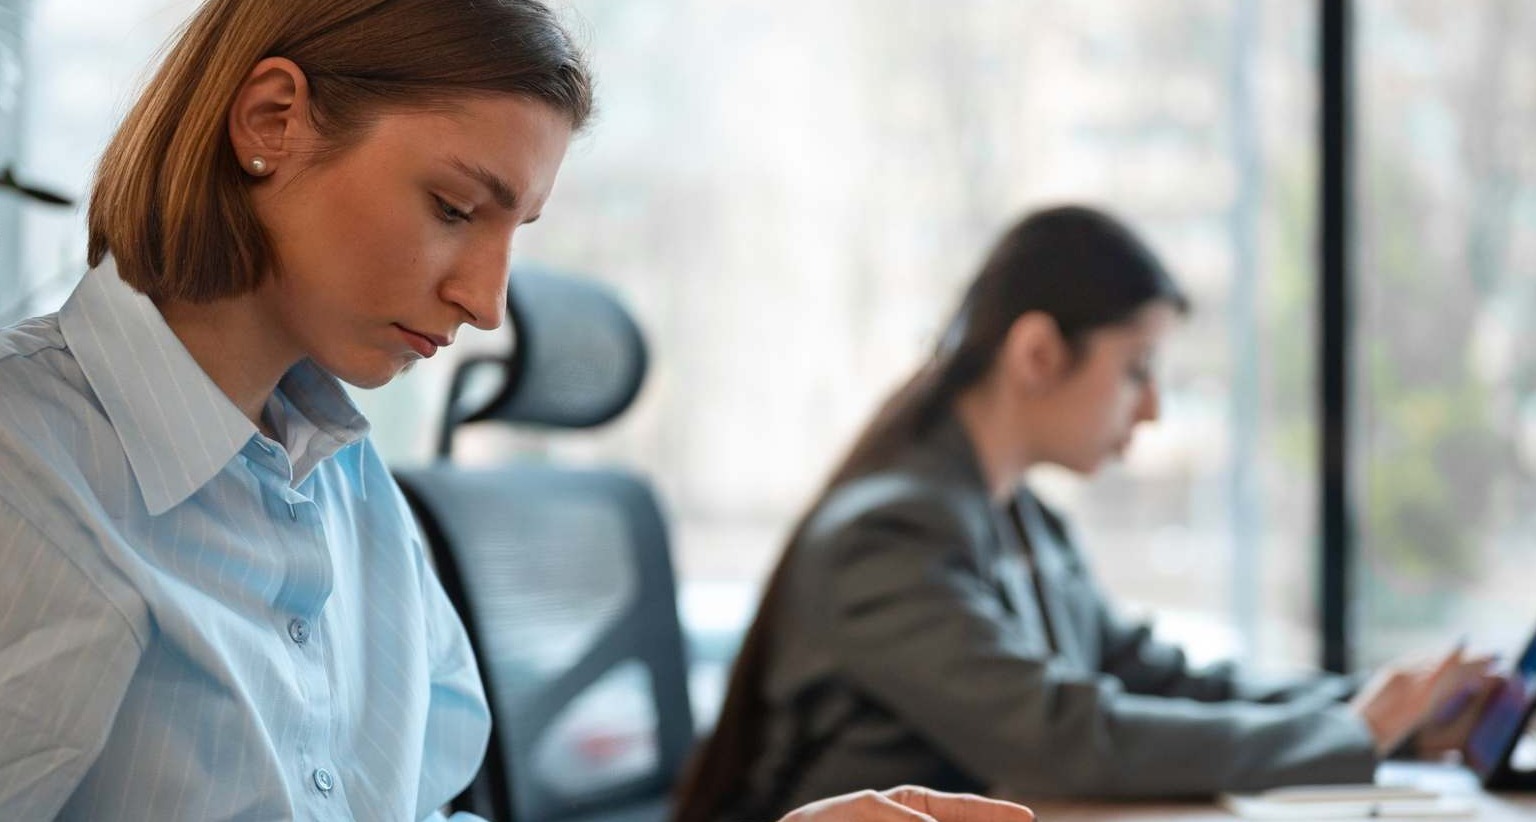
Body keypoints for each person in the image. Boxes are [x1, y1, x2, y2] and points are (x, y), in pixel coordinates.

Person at [0, 2, 1040, 821]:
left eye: (515, 229)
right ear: (272, 122)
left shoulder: (349, 494)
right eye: (455, 208)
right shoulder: (27, 464)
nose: (488, 302)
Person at [673, 206, 1492, 822]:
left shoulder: (1025, 524)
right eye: (1137, 368)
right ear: (1037, 354)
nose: (1152, 410)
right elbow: (1065, 737)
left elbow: (1158, 681)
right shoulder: (886, 538)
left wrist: (1378, 712)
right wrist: (1349, 733)